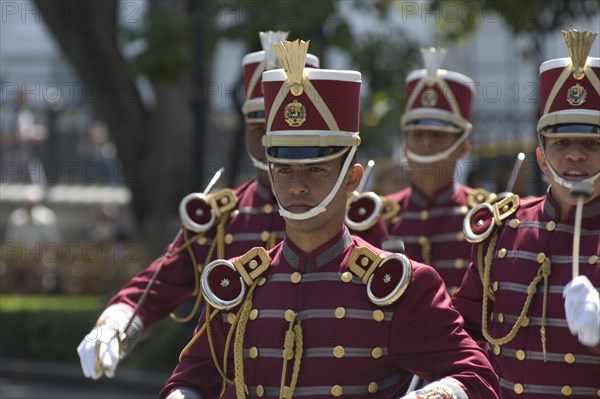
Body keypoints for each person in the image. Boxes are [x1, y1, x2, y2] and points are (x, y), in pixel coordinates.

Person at [159, 39, 500, 399]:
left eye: (316, 170)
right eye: (285, 171)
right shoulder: (237, 287)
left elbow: (475, 376)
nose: (298, 186)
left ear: (352, 179)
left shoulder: (401, 288)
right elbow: (190, 380)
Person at [76, 30, 318, 380]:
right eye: (261, 128)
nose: (271, 143)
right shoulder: (219, 218)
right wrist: (115, 323)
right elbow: (159, 284)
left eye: (285, 131)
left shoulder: (352, 216)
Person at [454, 29, 599, 398]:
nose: (575, 155)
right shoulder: (504, 229)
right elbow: (466, 332)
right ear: (541, 158)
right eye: (561, 143)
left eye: (591, 144)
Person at [382, 48, 494, 293]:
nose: (425, 143)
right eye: (418, 134)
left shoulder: (485, 215)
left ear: (463, 147)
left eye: (437, 135)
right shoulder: (381, 216)